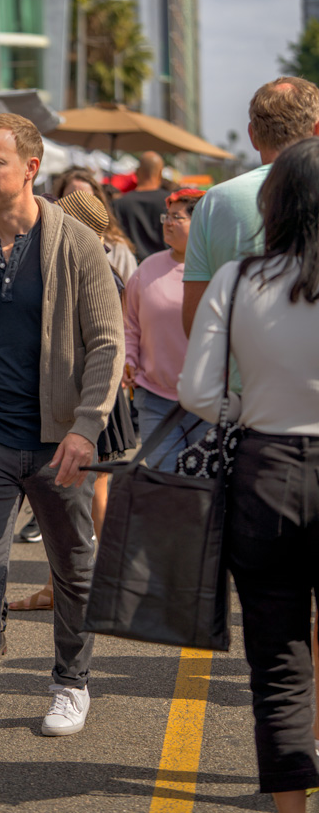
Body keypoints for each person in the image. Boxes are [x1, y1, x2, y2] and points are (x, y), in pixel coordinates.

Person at [0, 113, 124, 774]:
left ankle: (71, 680)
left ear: (30, 168)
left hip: (58, 442)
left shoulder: (74, 245)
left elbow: (107, 342)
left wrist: (85, 426)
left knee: (73, 568)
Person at [179, 137, 319, 813]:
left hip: (265, 471)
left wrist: (248, 407)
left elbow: (198, 392)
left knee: (278, 659)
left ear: (277, 204)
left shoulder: (238, 281)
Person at [9, 190, 135, 613]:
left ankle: (113, 584)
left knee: (91, 489)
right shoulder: (87, 265)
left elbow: (103, 343)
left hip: (92, 398)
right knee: (75, 492)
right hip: (93, 395)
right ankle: (63, 585)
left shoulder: (91, 268)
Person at [182, 77, 319, 340]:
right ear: (317, 130)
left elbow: (195, 322)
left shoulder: (214, 201)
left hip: (241, 379)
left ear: (252, 136)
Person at [123, 188, 209, 472]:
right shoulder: (148, 268)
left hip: (205, 402)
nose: (168, 223)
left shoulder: (218, 269)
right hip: (155, 399)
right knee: (164, 482)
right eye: (167, 216)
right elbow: (130, 323)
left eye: (177, 217)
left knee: (202, 487)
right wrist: (129, 359)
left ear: (201, 223)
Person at [112, 151, 168, 261]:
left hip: (130, 267)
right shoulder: (171, 203)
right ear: (160, 172)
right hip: (163, 268)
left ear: (136, 172)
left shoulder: (119, 203)